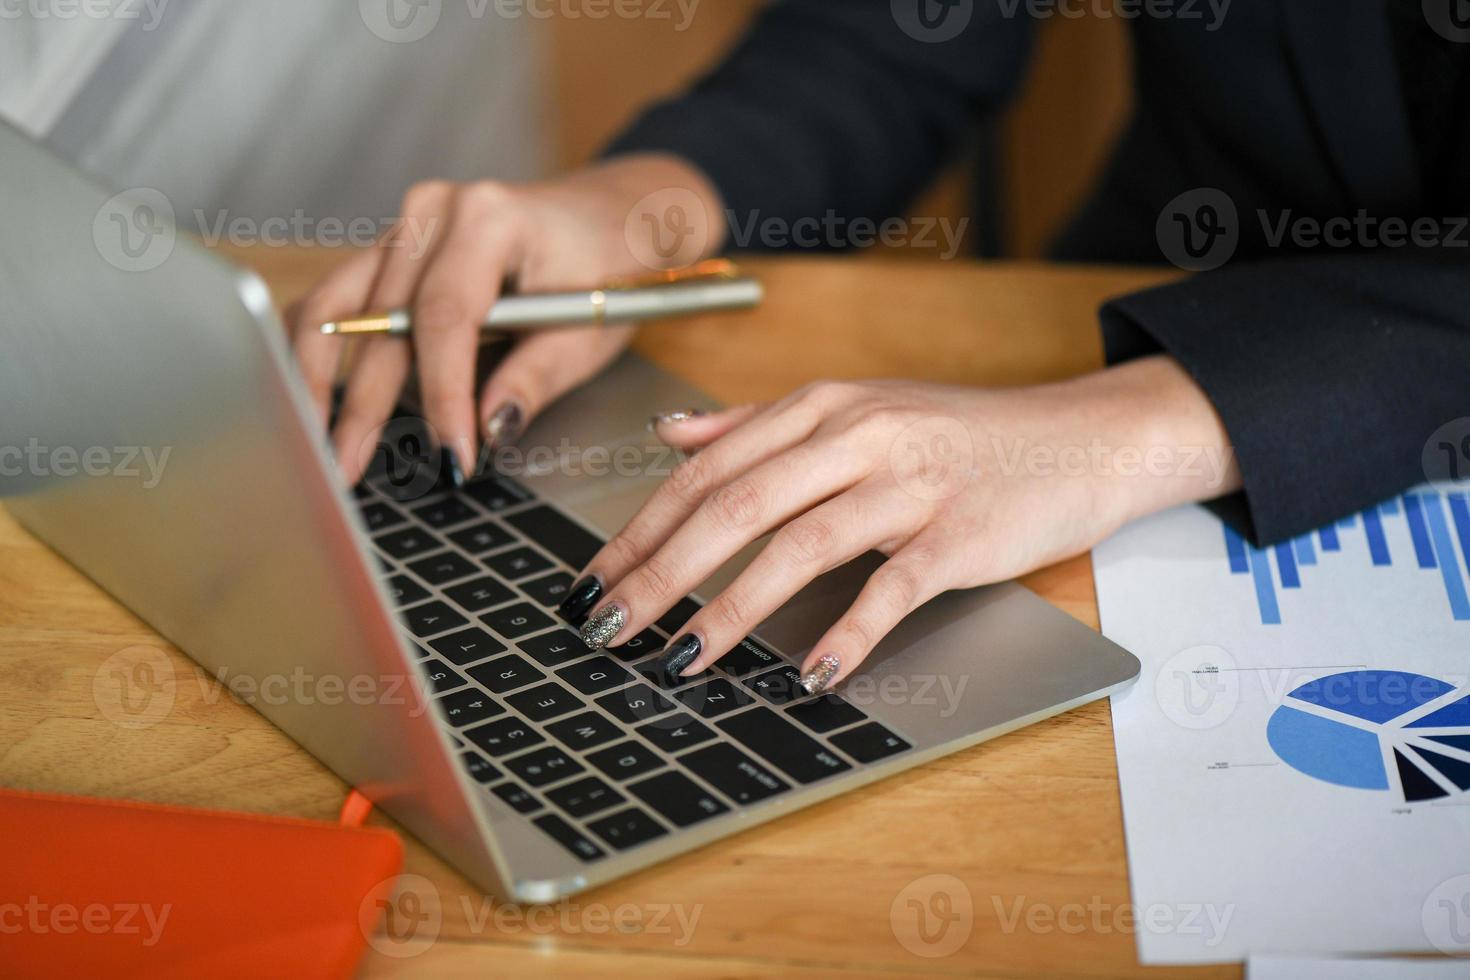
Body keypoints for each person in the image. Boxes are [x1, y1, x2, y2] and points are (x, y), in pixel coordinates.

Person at [291, 1, 1470, 695]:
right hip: (1120, 290)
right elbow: (893, 34)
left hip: (1182, 391)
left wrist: (1127, 425)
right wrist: (649, 199)